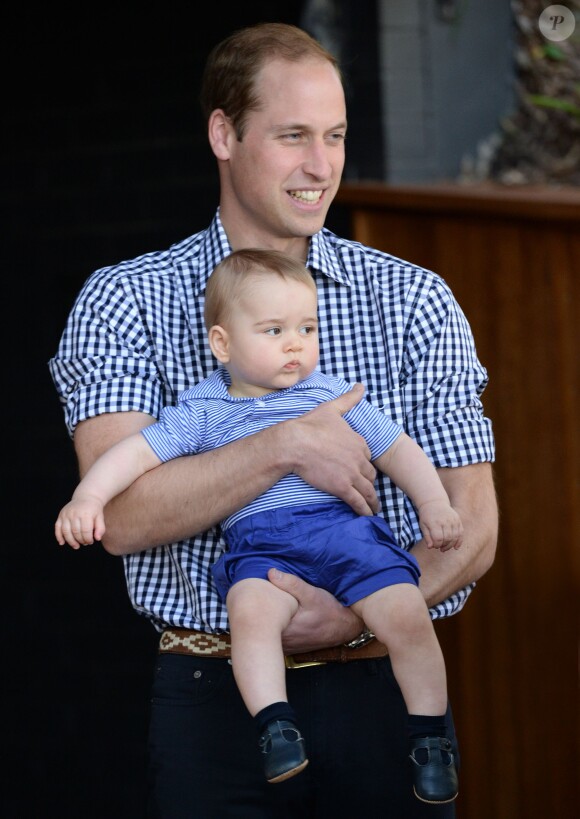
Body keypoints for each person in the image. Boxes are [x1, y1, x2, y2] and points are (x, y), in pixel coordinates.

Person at [48, 21, 498, 819]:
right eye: (293, 136)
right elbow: (118, 516)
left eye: (335, 136)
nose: (320, 166)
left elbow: (475, 523)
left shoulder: (414, 300)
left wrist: (355, 611)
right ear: (224, 133)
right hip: (213, 696)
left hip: (385, 686)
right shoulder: (125, 300)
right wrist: (285, 445)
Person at [56, 248, 464, 803]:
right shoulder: (204, 408)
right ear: (222, 343)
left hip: (343, 532)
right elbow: (136, 455)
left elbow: (399, 450)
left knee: (407, 612)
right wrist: (89, 496)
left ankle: (429, 735)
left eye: (307, 327)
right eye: (274, 330)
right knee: (249, 611)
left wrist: (435, 505)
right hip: (262, 543)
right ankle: (276, 724)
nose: (295, 343)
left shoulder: (331, 393)